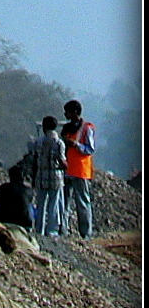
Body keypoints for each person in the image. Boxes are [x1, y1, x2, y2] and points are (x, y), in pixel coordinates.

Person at [25, 115, 67, 237]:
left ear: (44, 127)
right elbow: (62, 161)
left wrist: (33, 178)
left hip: (41, 176)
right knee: (53, 204)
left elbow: (34, 160)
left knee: (41, 204)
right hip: (55, 177)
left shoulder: (38, 142)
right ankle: (52, 230)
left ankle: (39, 230)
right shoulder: (59, 143)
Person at [60, 99, 96, 238]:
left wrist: (75, 145)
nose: (65, 114)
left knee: (82, 203)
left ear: (75, 112)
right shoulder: (67, 128)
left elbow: (90, 149)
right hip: (67, 170)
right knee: (64, 202)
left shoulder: (87, 128)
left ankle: (85, 234)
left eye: (67, 111)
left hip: (80, 170)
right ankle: (63, 230)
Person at [0, 164, 35, 230]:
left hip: (6, 220)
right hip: (24, 223)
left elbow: (0, 203)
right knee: (31, 207)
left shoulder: (3, 188)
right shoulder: (29, 190)